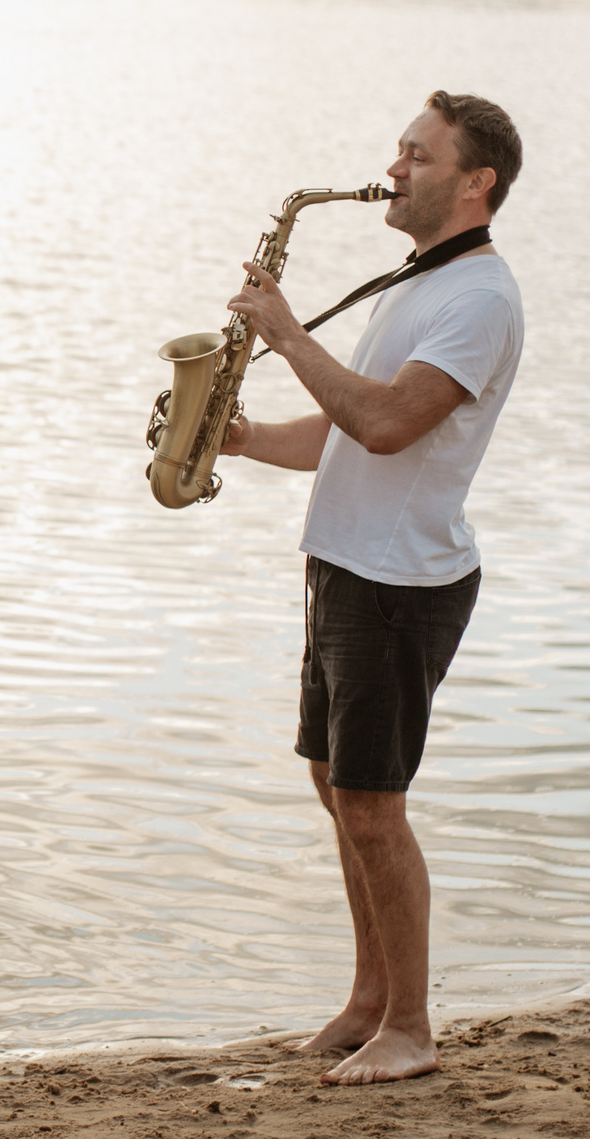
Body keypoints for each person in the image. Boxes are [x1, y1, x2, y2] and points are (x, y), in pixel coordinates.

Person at [221, 90, 526, 1087]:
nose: (391, 170)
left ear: (475, 181)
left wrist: (281, 334)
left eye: (417, 155)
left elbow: (391, 424)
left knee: (370, 804)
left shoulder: (479, 299)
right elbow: (348, 427)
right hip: (346, 564)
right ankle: (366, 1002)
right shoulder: (416, 284)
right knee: (336, 789)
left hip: (400, 580)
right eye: (395, 151)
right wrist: (237, 439)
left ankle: (412, 1028)